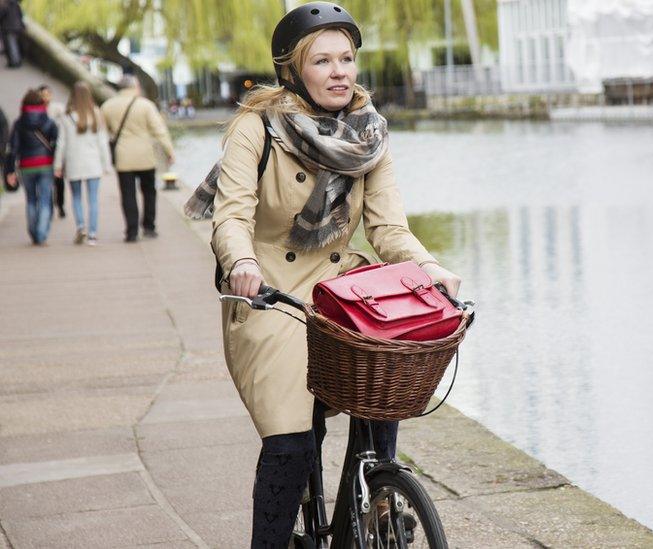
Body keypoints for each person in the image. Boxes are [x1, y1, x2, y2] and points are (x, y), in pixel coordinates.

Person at [183, 3, 461, 546]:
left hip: (339, 286)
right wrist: (239, 263)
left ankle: (379, 487)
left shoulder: (369, 134)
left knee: (388, 363)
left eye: (348, 59)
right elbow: (232, 216)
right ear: (293, 70)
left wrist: (428, 266)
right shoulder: (254, 127)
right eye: (323, 60)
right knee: (291, 445)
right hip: (268, 289)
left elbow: (388, 228)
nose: (340, 72)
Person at [102, 75, 175, 242]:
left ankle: (131, 230)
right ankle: (149, 226)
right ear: (135, 87)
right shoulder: (146, 106)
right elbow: (159, 131)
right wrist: (169, 150)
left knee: (127, 194)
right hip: (145, 154)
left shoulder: (108, 106)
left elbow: (104, 132)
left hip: (123, 155)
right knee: (149, 191)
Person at [54, 82, 113, 246]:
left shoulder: (66, 116)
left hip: (74, 163)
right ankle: (93, 234)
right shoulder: (96, 114)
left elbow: (61, 143)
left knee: (76, 197)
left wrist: (58, 165)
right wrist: (106, 164)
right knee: (93, 199)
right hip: (93, 163)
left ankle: (81, 226)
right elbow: (103, 142)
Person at [5, 89, 58, 245]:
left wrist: (9, 171)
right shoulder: (49, 123)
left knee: (31, 200)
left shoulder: (19, 124)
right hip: (45, 164)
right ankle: (41, 233)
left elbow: (12, 148)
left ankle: (34, 232)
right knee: (45, 198)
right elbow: (56, 145)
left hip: (26, 166)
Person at [38, 84, 67, 218]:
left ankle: (60, 204)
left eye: (48, 94)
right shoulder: (36, 110)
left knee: (59, 180)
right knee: (46, 181)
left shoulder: (58, 108)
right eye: (43, 95)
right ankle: (48, 206)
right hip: (42, 149)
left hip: (56, 147)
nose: (46, 97)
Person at [0, 0, 24, 68]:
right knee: (14, 44)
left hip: (9, 27)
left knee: (12, 45)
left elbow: (1, 15)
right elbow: (21, 14)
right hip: (16, 26)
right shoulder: (16, 4)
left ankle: (15, 62)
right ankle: (16, 61)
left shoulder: (5, 5)